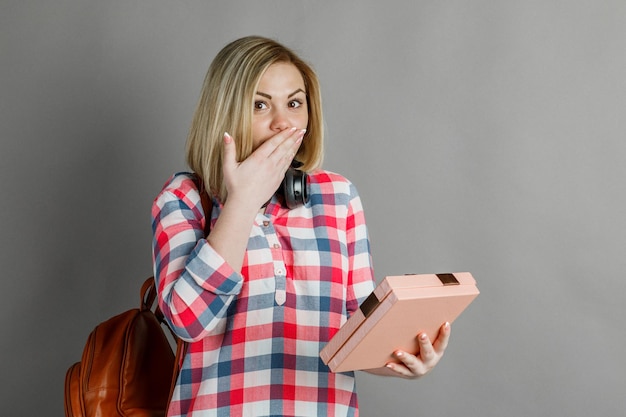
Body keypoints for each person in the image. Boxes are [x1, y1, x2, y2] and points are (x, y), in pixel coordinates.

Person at [151, 35, 451, 417]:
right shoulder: (183, 199)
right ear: (224, 114)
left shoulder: (338, 197)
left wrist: (406, 357)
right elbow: (187, 322)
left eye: (294, 103)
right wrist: (242, 202)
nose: (282, 123)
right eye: (260, 105)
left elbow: (352, 341)